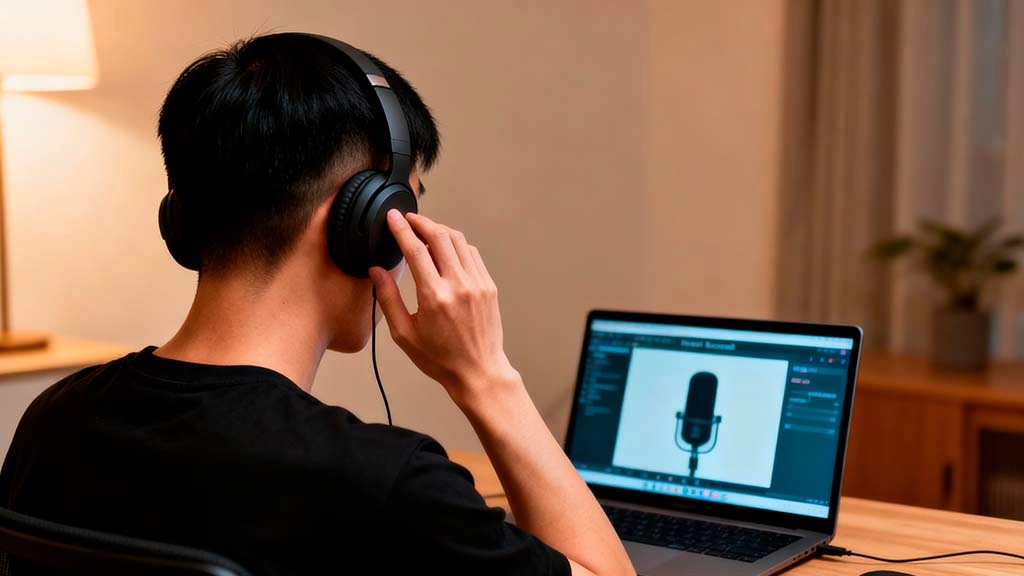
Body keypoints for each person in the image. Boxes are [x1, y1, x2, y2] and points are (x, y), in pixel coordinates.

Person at [0, 32, 634, 576]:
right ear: (366, 222)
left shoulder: (54, 420)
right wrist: (487, 376)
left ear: (185, 220)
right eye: (409, 205)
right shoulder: (385, 484)